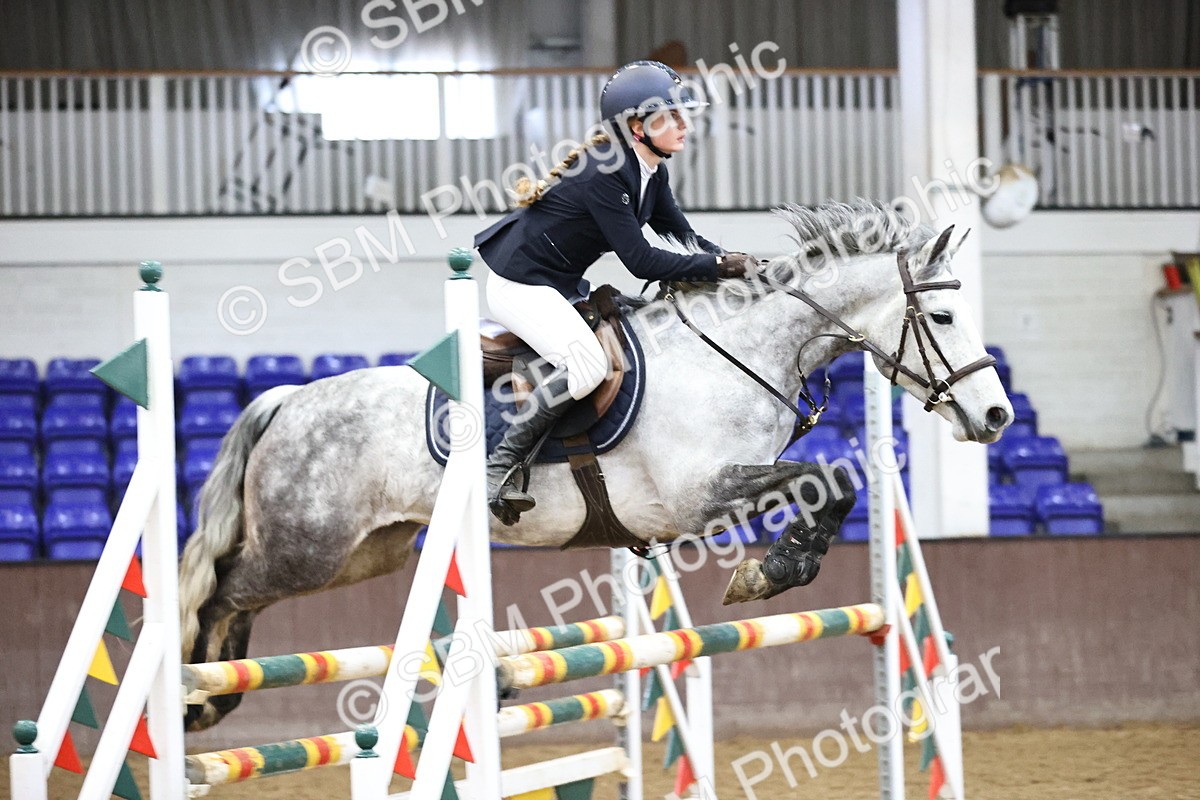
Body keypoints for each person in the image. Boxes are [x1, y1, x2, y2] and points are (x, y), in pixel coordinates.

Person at [473, 60, 757, 524]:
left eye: (682, 114)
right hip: (519, 285)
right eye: (671, 116)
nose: (684, 124)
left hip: (559, 284)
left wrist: (744, 265)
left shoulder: (651, 171)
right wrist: (721, 267)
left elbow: (686, 239)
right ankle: (499, 468)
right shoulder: (604, 174)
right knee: (587, 366)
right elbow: (641, 261)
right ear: (637, 127)